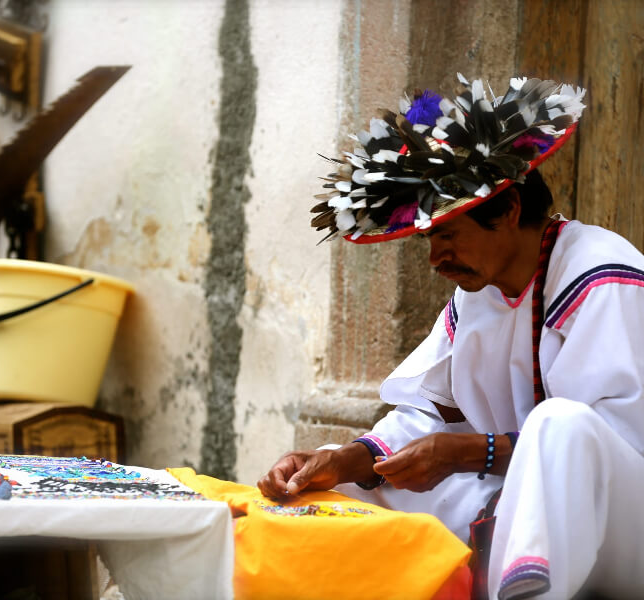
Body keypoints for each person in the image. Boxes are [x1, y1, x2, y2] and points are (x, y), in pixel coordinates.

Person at [259, 75, 644, 599]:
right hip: (519, 506)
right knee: (343, 481)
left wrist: (468, 454)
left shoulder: (601, 273)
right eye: (429, 238)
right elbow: (427, 415)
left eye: (447, 233)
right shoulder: (476, 292)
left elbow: (607, 442)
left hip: (622, 530)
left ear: (508, 211)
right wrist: (346, 460)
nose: (436, 257)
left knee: (561, 424)